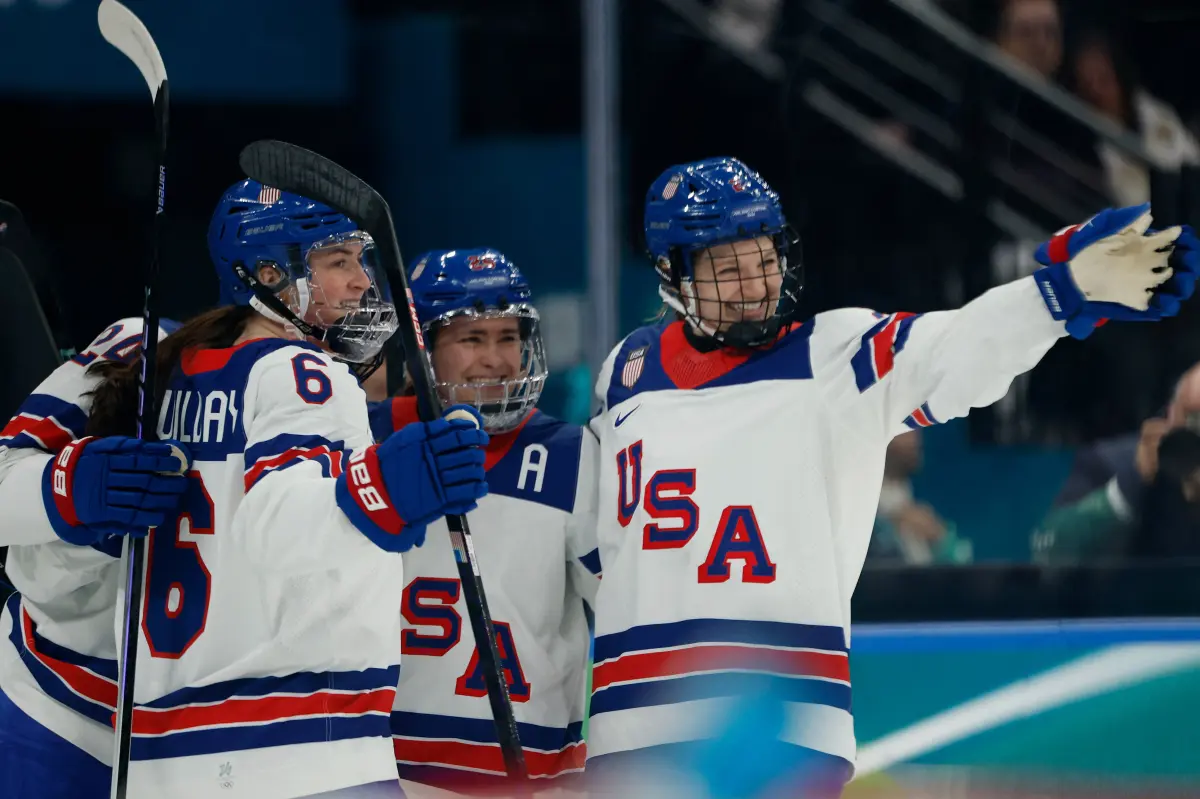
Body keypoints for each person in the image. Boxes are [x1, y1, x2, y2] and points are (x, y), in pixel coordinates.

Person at [583, 156, 1198, 797]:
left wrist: (1059, 291)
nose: (755, 283)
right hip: (631, 734)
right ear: (672, 274)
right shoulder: (624, 372)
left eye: (764, 258)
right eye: (728, 268)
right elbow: (587, 545)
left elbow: (955, 347)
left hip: (785, 729)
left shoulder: (834, 354)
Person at [83, 179, 490, 799]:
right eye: (337, 261)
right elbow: (276, 529)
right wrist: (387, 490)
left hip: (159, 760)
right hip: (298, 750)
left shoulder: (167, 380)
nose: (361, 281)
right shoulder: (301, 371)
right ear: (270, 275)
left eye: (359, 260)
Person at [367, 248, 599, 793]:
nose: (496, 360)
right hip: (384, 774)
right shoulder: (364, 439)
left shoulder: (571, 456)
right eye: (472, 339)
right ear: (423, 350)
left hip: (531, 776)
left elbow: (621, 613)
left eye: (508, 338)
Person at [0, 317, 191, 799]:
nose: (361, 284)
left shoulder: (341, 406)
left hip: (219, 742)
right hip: (58, 709)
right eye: (337, 260)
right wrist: (70, 494)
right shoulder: (149, 345)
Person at [1033, 360, 1200, 562]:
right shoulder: (1110, 463)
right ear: (1171, 415)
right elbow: (1049, 548)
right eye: (1194, 421)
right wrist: (1127, 488)